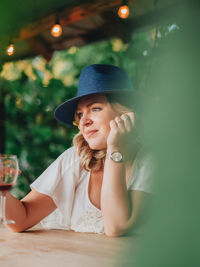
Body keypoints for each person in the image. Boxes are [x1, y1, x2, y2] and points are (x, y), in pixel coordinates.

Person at [4, 64, 152, 236]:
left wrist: (116, 148)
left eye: (95, 108)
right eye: (80, 114)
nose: (84, 122)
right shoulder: (76, 158)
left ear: (126, 114)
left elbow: (116, 227)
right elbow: (21, 219)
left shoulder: (150, 161)